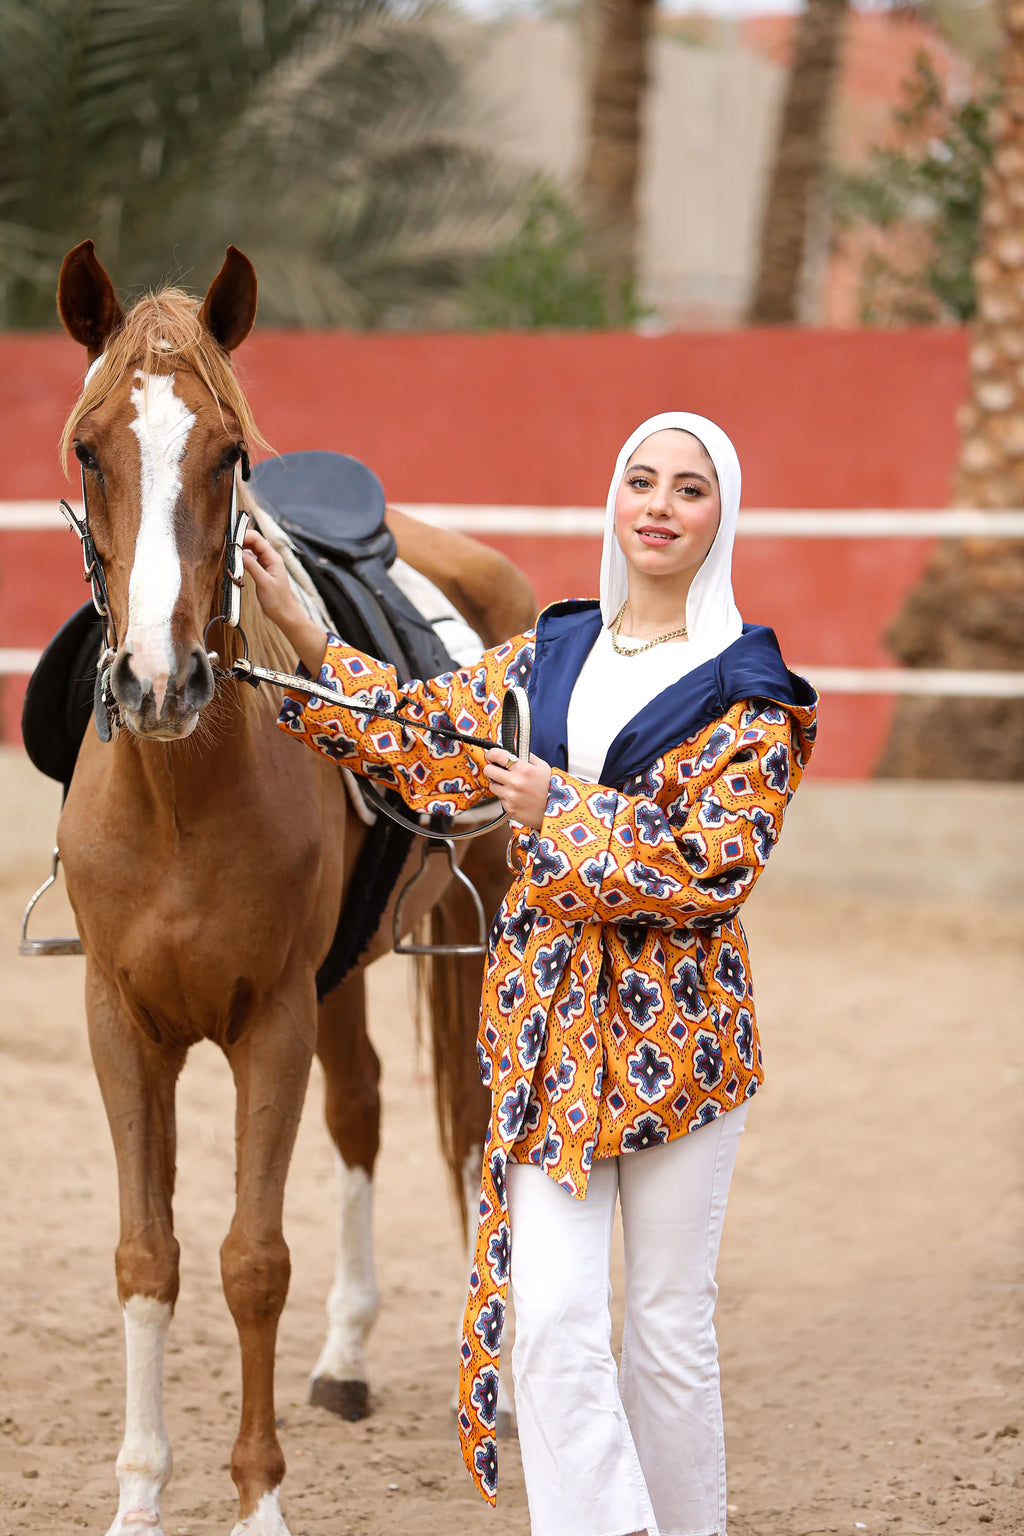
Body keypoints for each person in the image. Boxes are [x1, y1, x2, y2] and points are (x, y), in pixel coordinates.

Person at [241, 412, 817, 1536]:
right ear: (615, 499)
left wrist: (563, 809)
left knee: (662, 1329)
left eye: (687, 490)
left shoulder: (754, 690)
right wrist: (304, 634)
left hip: (680, 1046)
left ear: (720, 516)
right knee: (549, 1322)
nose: (657, 505)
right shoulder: (552, 652)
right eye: (639, 480)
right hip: (547, 1036)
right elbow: (415, 730)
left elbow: (712, 866)